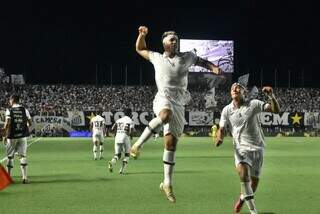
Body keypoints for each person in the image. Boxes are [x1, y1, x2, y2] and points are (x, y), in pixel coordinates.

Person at [130, 25, 222, 202]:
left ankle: (167, 183)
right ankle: (137, 145)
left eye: (177, 40)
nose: (175, 42)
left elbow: (202, 61)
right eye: (172, 40)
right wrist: (141, 35)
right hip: (163, 98)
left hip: (180, 103)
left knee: (170, 145)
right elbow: (139, 48)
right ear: (164, 43)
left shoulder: (186, 57)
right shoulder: (156, 57)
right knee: (165, 115)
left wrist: (213, 68)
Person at [215, 83, 280, 214]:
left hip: (258, 149)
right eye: (232, 88)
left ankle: (242, 198)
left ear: (244, 92)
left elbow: (275, 110)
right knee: (244, 176)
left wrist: (271, 96)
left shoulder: (254, 104)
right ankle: (253, 211)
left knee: (253, 185)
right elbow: (221, 128)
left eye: (238, 87)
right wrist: (220, 137)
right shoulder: (227, 110)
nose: (234, 89)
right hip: (241, 149)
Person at [3, 94, 32, 183]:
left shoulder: (9, 110)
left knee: (10, 157)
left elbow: (7, 123)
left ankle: (9, 178)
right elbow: (30, 123)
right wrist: (24, 126)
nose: (9, 102)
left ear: (12, 100)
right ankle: (24, 178)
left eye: (10, 100)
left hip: (12, 136)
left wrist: (4, 135)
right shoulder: (25, 110)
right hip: (22, 136)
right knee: (22, 156)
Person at [108, 108, 134, 174]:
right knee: (127, 155)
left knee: (117, 155)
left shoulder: (119, 120)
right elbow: (130, 131)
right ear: (130, 114)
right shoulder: (130, 120)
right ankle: (121, 170)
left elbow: (112, 128)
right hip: (125, 137)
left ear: (124, 113)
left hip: (117, 137)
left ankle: (112, 162)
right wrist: (131, 137)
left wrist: (115, 135)